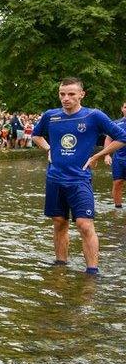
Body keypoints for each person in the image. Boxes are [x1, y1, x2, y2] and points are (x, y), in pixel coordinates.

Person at [31, 77, 126, 275]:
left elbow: (122, 137)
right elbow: (35, 135)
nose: (66, 98)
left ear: (82, 94)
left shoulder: (94, 116)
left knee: (84, 224)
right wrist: (49, 149)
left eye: (71, 94)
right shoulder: (51, 116)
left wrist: (98, 155)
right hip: (54, 178)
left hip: (80, 179)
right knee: (59, 221)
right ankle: (60, 266)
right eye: (62, 94)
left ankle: (92, 271)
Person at [103, 100, 126, 209]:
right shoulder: (116, 123)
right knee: (118, 183)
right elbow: (109, 138)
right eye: (125, 107)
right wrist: (107, 155)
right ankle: (118, 208)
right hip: (119, 158)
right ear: (122, 109)